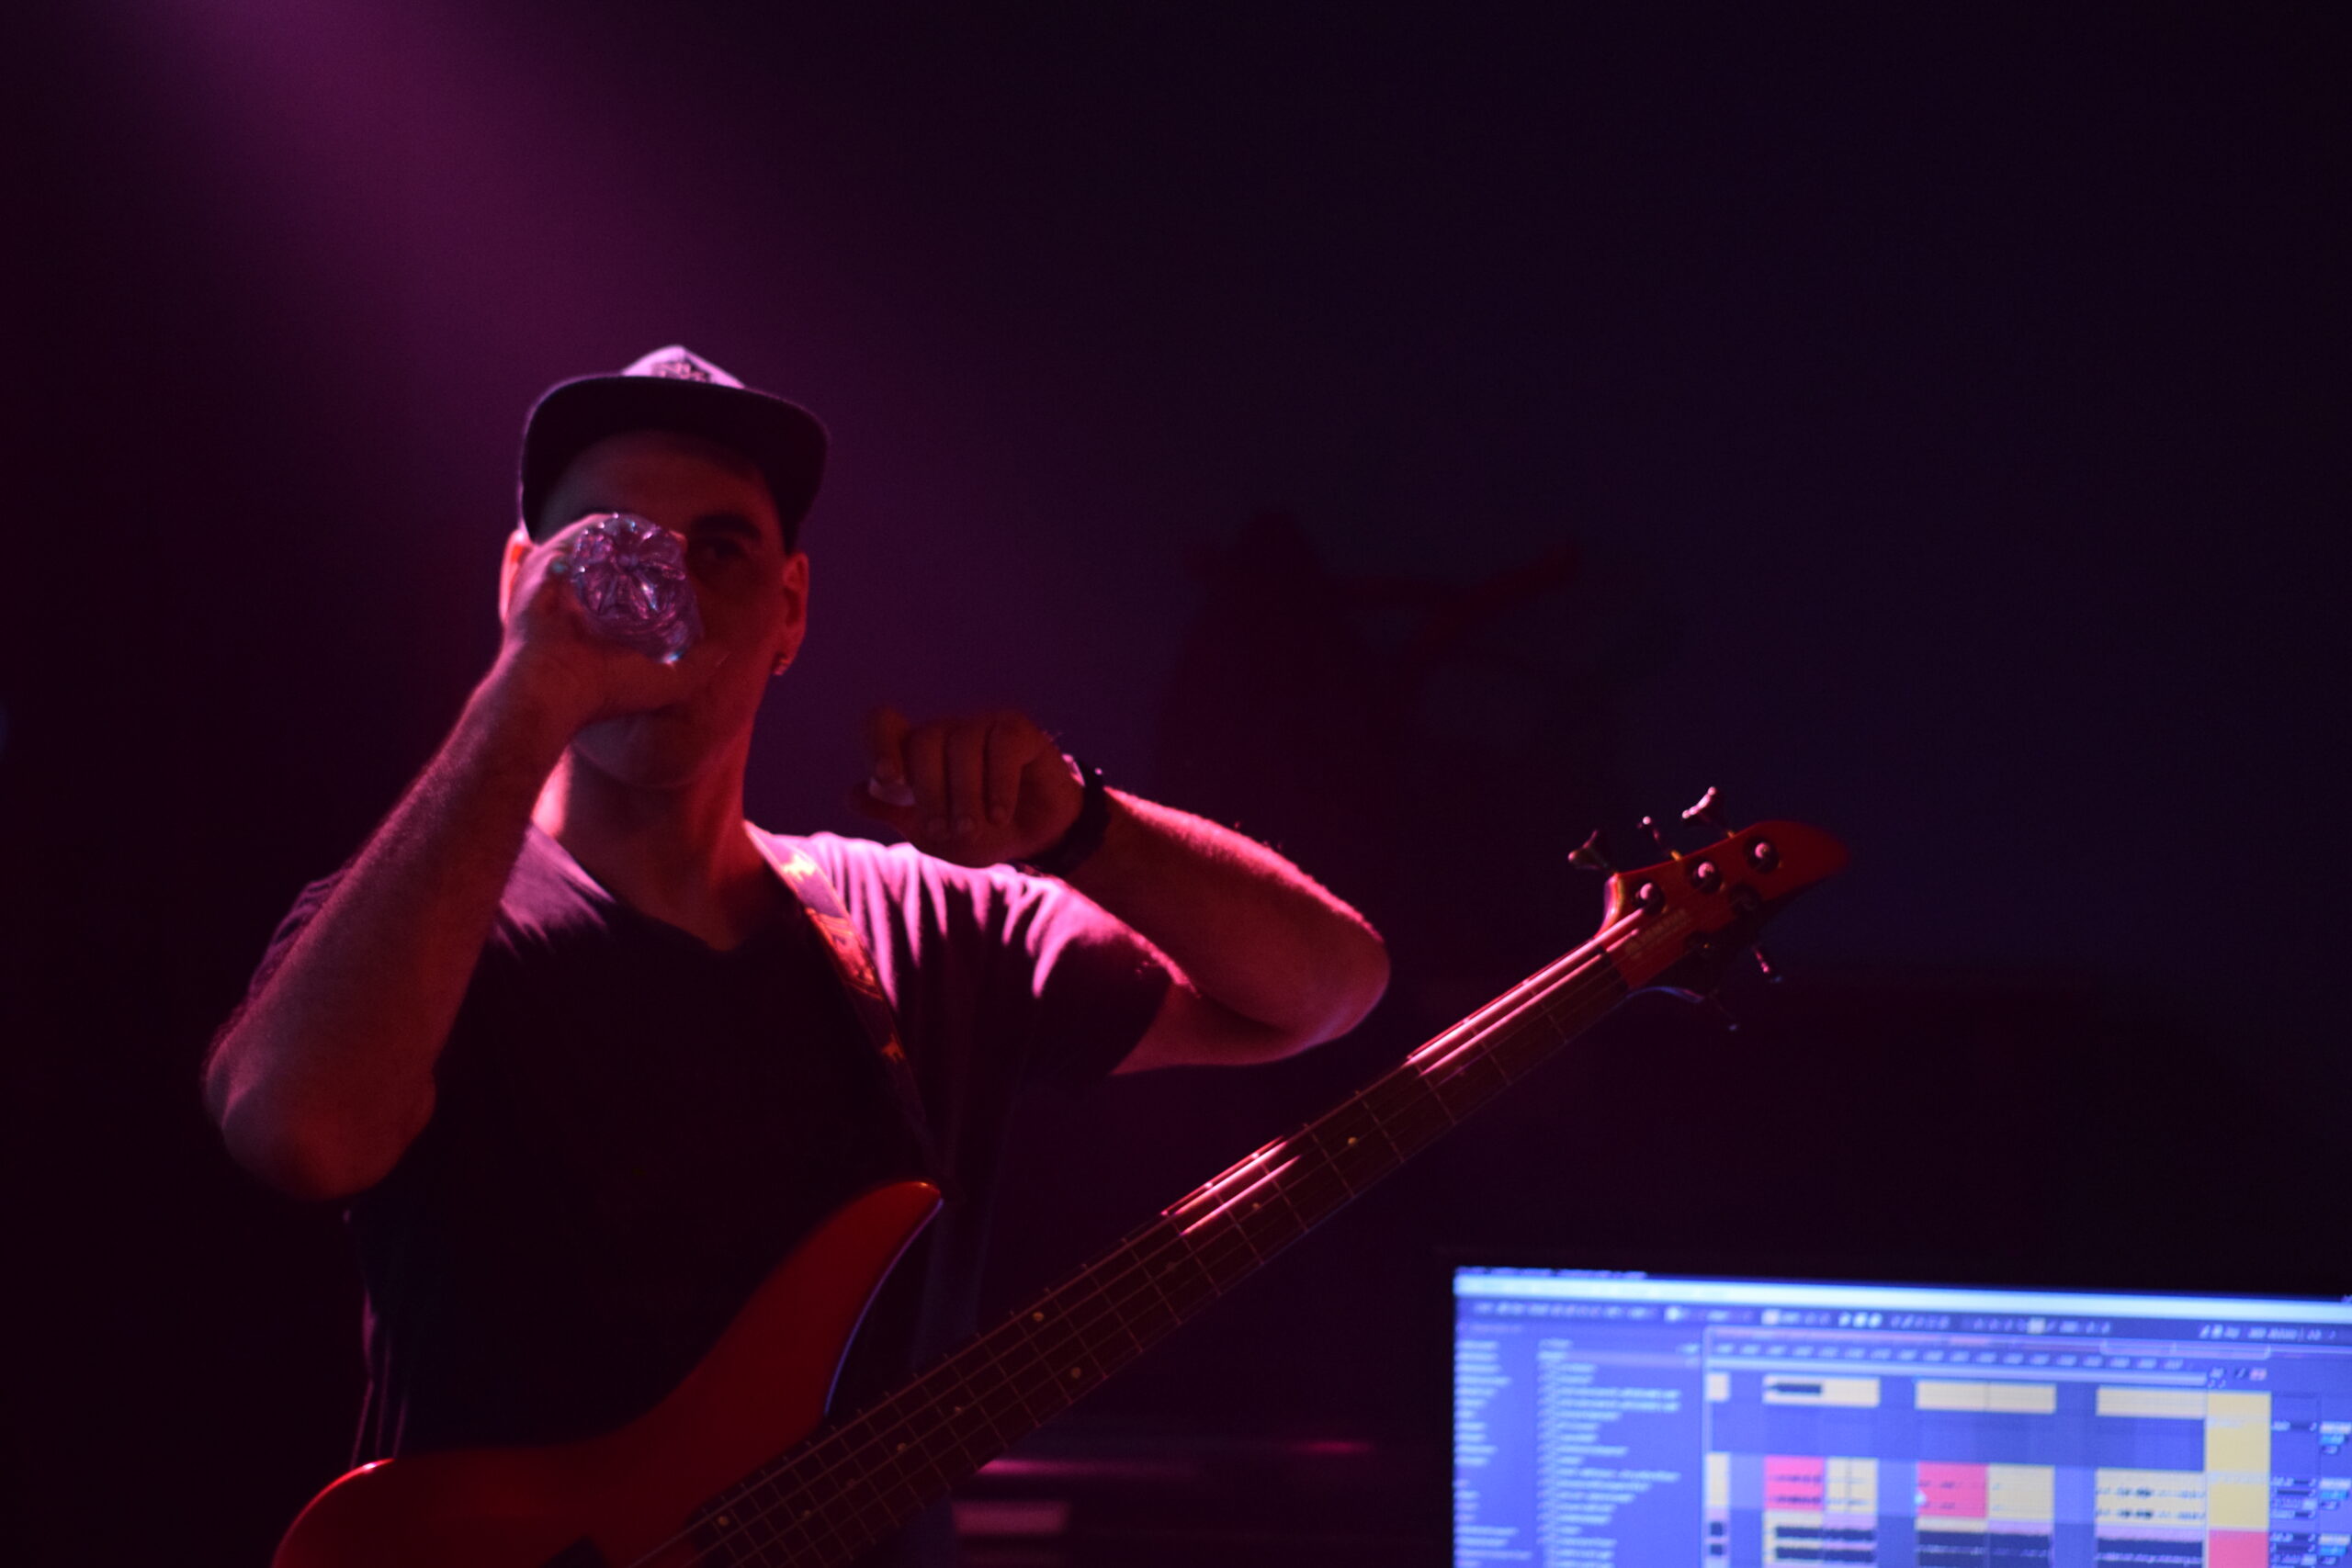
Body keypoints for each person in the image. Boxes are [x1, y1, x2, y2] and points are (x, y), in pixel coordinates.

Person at [202, 345, 1390, 1562]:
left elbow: (1326, 989)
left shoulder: (918, 923)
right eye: (608, 548)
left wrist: (1079, 827)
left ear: (791, 610)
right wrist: (526, 692)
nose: (659, 596)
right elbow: (299, 1134)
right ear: (520, 582)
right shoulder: (426, 923)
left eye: (718, 551)